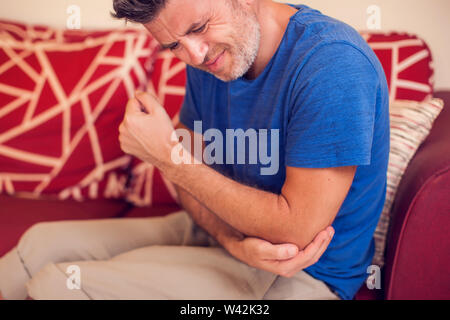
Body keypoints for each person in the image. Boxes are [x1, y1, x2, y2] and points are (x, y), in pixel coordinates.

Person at [0, 0, 389, 300]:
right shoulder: (209, 59)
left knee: (61, 285)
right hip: (220, 231)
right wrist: (231, 240)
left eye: (200, 27)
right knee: (36, 245)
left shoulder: (332, 64)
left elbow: (295, 229)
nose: (195, 55)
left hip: (300, 273)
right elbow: (192, 173)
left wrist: (168, 156)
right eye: (173, 45)